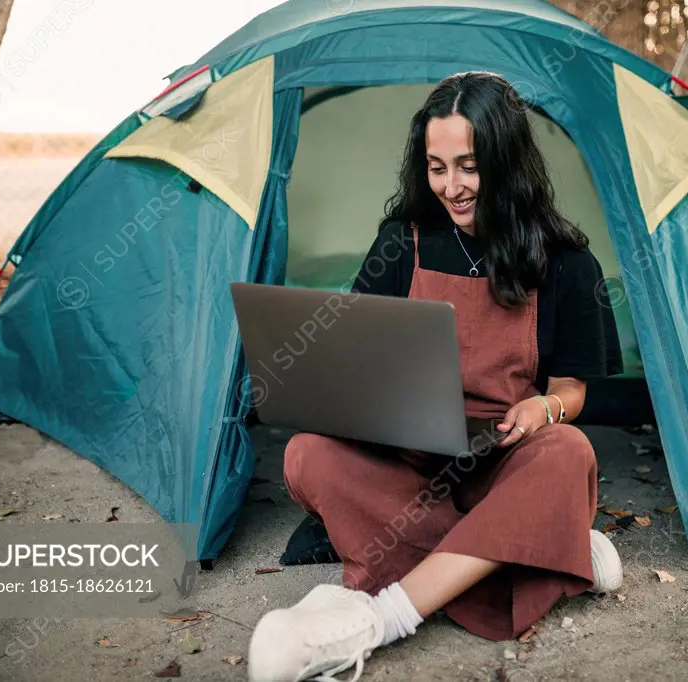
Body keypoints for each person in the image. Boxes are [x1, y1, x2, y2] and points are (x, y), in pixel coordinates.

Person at [247, 71, 624, 682]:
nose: (453, 186)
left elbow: (572, 390)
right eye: (437, 167)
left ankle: (380, 620)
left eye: (469, 166)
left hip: (506, 458)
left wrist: (543, 411)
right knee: (307, 454)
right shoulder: (402, 243)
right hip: (409, 459)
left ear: (507, 159)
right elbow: (356, 354)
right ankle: (550, 548)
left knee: (567, 453)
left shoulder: (568, 264)